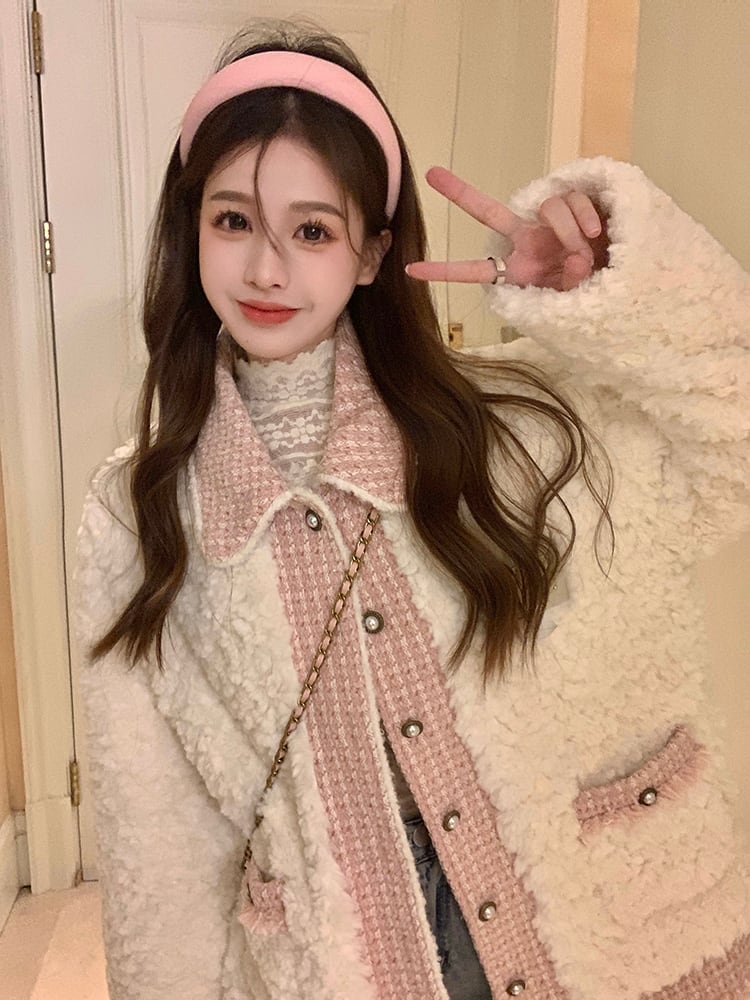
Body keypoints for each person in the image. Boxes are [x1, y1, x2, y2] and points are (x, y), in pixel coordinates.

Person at [75, 20, 750, 1000]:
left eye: (313, 229)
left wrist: (618, 298)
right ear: (192, 231)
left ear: (371, 253)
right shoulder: (138, 512)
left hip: (612, 931)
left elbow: (731, 447)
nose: (267, 270)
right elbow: (156, 837)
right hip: (350, 959)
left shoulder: (519, 424)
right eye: (233, 221)